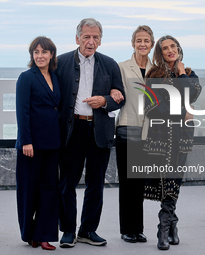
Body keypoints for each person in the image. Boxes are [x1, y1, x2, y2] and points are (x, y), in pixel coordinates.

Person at [55, 18, 125, 248]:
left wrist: (104, 100)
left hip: (99, 131)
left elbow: (119, 98)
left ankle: (87, 230)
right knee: (67, 183)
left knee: (96, 184)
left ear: (100, 40)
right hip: (72, 131)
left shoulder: (110, 64)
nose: (91, 41)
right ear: (77, 39)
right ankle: (67, 231)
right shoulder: (61, 62)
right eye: (86, 37)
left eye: (95, 37)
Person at [143, 35, 202, 250]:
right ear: (160, 52)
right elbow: (150, 107)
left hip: (182, 137)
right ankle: (169, 225)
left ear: (178, 49)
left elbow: (192, 94)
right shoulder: (153, 75)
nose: (170, 50)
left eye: (173, 47)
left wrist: (180, 73)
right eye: (165, 48)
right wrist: (180, 112)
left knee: (174, 179)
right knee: (165, 181)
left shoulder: (189, 74)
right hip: (159, 136)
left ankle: (164, 227)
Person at [15, 36, 60, 251]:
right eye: (36, 52)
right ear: (32, 55)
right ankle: (29, 234)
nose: (40, 56)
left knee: (49, 190)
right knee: (28, 191)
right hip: (31, 145)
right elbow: (22, 112)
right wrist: (26, 141)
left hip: (52, 144)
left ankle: (44, 235)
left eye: (44, 52)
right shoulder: (26, 77)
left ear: (51, 54)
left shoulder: (55, 77)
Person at [116, 25, 154, 243]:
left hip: (149, 131)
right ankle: (126, 229)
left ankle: (138, 228)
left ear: (151, 44)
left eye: (146, 41)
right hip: (127, 128)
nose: (142, 44)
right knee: (127, 182)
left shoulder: (156, 70)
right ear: (133, 43)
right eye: (138, 40)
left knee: (139, 182)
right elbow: (115, 92)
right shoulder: (122, 67)